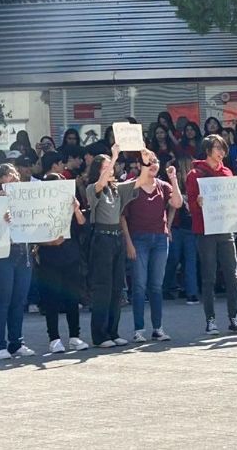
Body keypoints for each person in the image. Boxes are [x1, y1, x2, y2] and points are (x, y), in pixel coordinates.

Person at [186, 134, 237, 335]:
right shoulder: (194, 174)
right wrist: (198, 204)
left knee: (232, 274)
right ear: (207, 150)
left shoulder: (227, 173)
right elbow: (191, 205)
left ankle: (234, 318)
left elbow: (233, 201)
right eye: (217, 148)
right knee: (209, 276)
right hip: (205, 231)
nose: (222, 152)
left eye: (223, 148)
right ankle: (211, 320)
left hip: (225, 229)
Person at [121, 149, 182, 342]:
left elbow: (177, 203)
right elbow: (122, 216)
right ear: (140, 166)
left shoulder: (162, 185)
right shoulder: (133, 186)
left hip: (159, 240)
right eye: (149, 161)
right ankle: (139, 329)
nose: (154, 164)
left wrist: (173, 179)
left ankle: (158, 328)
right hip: (138, 239)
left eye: (155, 161)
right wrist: (129, 243)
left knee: (156, 286)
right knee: (139, 286)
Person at [0, 164, 35, 359]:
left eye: (16, 178)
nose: (14, 181)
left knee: (18, 300)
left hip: (21, 251)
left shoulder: (23, 200)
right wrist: (0, 210)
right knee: (1, 301)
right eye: (10, 178)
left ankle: (16, 342)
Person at [84, 145, 135, 348]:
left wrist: (147, 159)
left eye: (111, 166)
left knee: (117, 288)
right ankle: (100, 335)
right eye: (105, 167)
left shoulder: (117, 188)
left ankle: (113, 331)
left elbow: (139, 182)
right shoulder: (92, 188)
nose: (110, 170)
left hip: (116, 238)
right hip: (102, 238)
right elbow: (100, 183)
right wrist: (114, 156)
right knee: (103, 288)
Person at [37, 173, 89, 353]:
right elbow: (32, 237)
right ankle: (54, 339)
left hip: (71, 257)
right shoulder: (39, 209)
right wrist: (50, 242)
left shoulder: (70, 204)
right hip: (49, 258)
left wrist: (76, 209)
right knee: (51, 300)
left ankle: (75, 336)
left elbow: (83, 225)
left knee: (72, 298)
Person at [164, 156, 199, 304]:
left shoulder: (193, 185)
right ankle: (168, 288)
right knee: (174, 259)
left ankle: (191, 292)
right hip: (178, 227)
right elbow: (172, 209)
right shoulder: (174, 185)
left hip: (189, 227)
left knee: (189, 260)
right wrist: (169, 228)